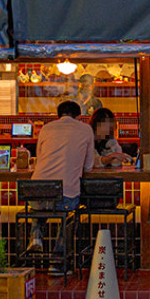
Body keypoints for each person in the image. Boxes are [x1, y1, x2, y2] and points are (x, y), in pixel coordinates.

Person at [30, 101, 95, 262]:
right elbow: (88, 166)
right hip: (66, 196)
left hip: (35, 193)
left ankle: (36, 236)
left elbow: (39, 157)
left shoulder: (46, 128)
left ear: (58, 116)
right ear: (78, 116)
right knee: (70, 214)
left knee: (41, 205)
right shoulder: (86, 129)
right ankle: (58, 259)